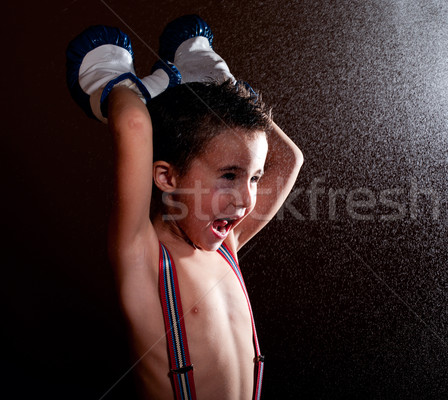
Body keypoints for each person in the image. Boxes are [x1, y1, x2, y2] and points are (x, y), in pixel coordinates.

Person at [66, 15, 303, 400]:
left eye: (254, 178)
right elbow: (134, 125)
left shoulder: (227, 247)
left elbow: (289, 159)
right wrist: (123, 90)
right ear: (167, 178)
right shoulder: (143, 257)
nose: (245, 199)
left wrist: (217, 83)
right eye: (229, 175)